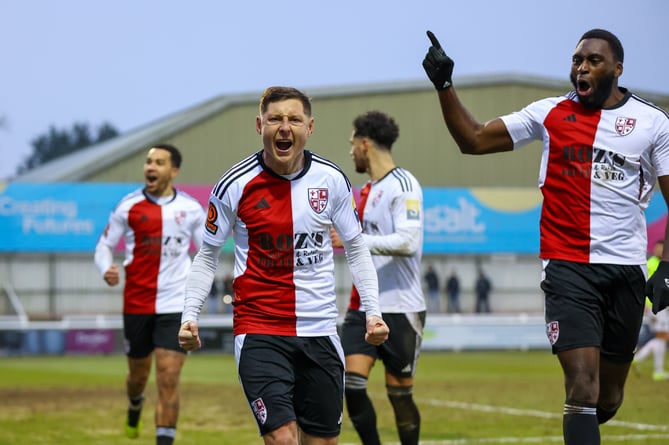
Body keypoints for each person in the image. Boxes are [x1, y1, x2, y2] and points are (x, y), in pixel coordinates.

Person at [422, 28, 669, 445]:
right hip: (567, 268)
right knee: (581, 390)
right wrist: (445, 85)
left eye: (593, 61)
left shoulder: (653, 123)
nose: (582, 68)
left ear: (618, 69)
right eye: (577, 60)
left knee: (607, 399)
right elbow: (474, 139)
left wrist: (666, 268)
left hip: (625, 271)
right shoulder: (549, 112)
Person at [177, 86, 389, 445]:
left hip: (319, 330)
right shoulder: (234, 184)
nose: (284, 127)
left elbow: (356, 247)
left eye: (294, 119)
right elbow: (207, 254)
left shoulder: (332, 180)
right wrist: (189, 314)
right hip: (260, 329)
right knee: (282, 438)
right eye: (275, 119)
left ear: (310, 126)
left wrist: (373, 312)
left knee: (321, 441)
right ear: (260, 125)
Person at [94, 144, 206, 445]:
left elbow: (207, 252)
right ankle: (135, 403)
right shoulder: (127, 206)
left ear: (174, 171)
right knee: (138, 378)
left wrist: (200, 290)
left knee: (168, 377)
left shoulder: (192, 209)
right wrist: (107, 268)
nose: (150, 167)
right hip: (137, 303)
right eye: (148, 162)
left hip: (175, 305)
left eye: (159, 162)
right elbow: (103, 246)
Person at [332, 110, 425, 445]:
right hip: (362, 307)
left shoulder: (404, 184)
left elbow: (408, 241)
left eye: (352, 144)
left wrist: (355, 239)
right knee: (351, 385)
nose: (351, 151)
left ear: (365, 143)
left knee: (400, 396)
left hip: (401, 306)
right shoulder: (367, 190)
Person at [634, 240, 669, 380]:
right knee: (662, 337)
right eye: (658, 248)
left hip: (662, 306)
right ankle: (657, 370)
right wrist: (645, 305)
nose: (660, 251)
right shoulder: (652, 263)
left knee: (661, 337)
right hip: (654, 305)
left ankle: (646, 363)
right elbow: (642, 283)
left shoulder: (663, 265)